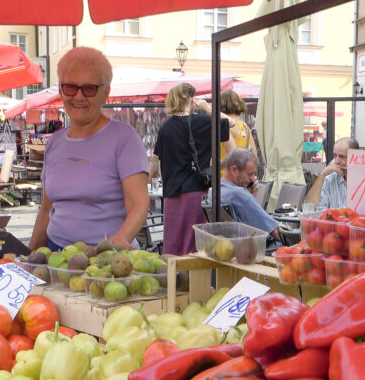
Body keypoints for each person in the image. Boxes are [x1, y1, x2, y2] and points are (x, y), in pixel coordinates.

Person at [29, 47, 149, 251]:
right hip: (56, 255)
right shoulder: (54, 143)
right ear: (60, 91)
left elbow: (139, 204)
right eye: (70, 88)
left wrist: (121, 239)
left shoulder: (124, 138)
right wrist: (29, 255)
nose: (79, 96)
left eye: (89, 89)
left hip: (106, 259)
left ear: (106, 93)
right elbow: (46, 209)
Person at [150, 83, 230, 255]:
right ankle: (192, 282)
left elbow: (157, 161)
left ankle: (174, 280)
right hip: (194, 192)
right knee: (193, 247)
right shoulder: (201, 122)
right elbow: (231, 124)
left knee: (172, 247)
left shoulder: (166, 126)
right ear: (192, 100)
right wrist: (207, 109)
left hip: (171, 195)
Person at [217, 148, 278, 238]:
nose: (253, 178)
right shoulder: (239, 194)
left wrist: (250, 195)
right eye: (250, 174)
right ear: (234, 170)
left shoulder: (216, 189)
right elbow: (275, 231)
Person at [305, 137, 359, 209]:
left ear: (355, 156)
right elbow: (310, 207)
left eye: (341, 156)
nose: (336, 161)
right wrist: (322, 174)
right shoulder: (329, 179)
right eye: (335, 156)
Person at [218, 89, 255, 165]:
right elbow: (254, 153)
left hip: (225, 174)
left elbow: (230, 153)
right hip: (241, 173)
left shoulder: (225, 124)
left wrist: (216, 168)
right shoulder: (244, 126)